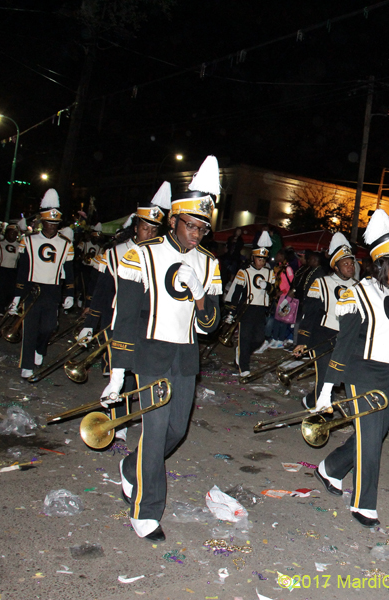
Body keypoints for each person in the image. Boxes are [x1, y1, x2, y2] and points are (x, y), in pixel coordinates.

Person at [107, 156, 223, 542]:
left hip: (186, 355)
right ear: (173, 219)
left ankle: (130, 469)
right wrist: (118, 372)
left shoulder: (209, 263)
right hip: (150, 352)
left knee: (177, 430)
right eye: (191, 225)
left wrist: (202, 295)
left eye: (203, 228)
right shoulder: (140, 253)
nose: (197, 234)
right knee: (154, 432)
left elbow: (210, 326)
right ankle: (146, 510)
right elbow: (124, 317)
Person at [313, 209, 389, 528]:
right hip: (361, 373)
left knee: (375, 435)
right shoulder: (357, 293)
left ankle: (330, 469)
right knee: (370, 437)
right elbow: (345, 344)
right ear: (380, 264)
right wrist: (326, 389)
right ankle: (364, 504)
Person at [78, 183, 170, 440]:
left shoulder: (162, 253)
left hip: (151, 321)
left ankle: (127, 419)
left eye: (154, 229)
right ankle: (117, 420)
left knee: (137, 373)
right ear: (135, 226)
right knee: (120, 368)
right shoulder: (114, 252)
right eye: (144, 227)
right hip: (119, 318)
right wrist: (90, 322)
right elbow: (102, 292)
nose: (149, 232)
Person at [11, 189, 76, 378]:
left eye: (56, 223)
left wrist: (70, 293)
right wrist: (17, 295)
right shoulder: (29, 240)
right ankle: (27, 364)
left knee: (48, 327)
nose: (52, 226)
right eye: (49, 222)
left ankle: (40, 349)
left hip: (53, 289)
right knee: (29, 327)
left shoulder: (66, 243)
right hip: (32, 288)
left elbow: (70, 271)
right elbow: (22, 270)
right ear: (42, 221)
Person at [294, 232, 357, 409]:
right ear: (336, 267)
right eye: (345, 264)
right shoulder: (321, 283)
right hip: (322, 336)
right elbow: (310, 314)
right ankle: (317, 410)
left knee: (340, 377)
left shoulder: (359, 287)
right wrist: (302, 340)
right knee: (325, 377)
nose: (350, 267)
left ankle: (311, 401)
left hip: (346, 339)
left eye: (351, 263)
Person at [224, 230, 275, 376]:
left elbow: (273, 291)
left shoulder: (269, 272)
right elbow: (236, 293)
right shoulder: (244, 272)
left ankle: (241, 352)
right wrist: (231, 312)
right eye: (259, 259)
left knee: (259, 339)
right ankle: (244, 368)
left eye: (264, 260)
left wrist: (268, 286)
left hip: (261, 310)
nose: (262, 262)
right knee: (245, 338)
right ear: (253, 257)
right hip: (246, 309)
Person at [266, 250, 295, 349]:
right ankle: (275, 338)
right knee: (276, 319)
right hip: (277, 297)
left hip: (284, 297)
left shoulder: (288, 269)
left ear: (283, 256)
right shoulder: (277, 268)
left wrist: (283, 292)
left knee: (283, 320)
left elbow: (292, 284)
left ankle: (281, 340)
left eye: (278, 254)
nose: (276, 256)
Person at [0, 223, 21, 316]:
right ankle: (0, 309)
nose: (13, 235)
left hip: (13, 271)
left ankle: (8, 306)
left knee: (11, 290)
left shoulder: (20, 245)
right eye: (11, 233)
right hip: (1, 270)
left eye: (15, 233)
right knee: (1, 290)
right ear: (6, 234)